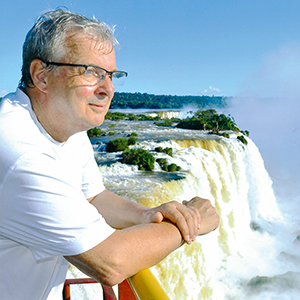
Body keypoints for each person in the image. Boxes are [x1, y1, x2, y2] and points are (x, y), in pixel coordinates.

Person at [0, 8, 219, 300]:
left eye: (112, 75)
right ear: (41, 76)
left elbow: (93, 197)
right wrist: (191, 224)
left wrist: (148, 214)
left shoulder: (70, 127)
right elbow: (111, 262)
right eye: (91, 72)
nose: (108, 89)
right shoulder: (19, 150)